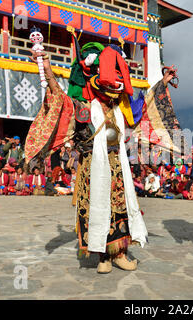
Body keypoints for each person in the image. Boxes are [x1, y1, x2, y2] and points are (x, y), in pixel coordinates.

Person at [25, 34, 158, 273]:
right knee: (96, 207)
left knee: (119, 208)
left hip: (117, 166)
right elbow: (60, 100)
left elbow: (142, 110)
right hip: (91, 167)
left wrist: (163, 84)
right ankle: (102, 257)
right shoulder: (84, 108)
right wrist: (47, 70)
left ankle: (119, 253)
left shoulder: (120, 108)